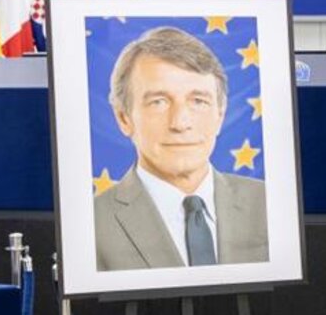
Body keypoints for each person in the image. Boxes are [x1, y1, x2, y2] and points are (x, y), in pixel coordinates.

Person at [93, 26, 268, 271]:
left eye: (198, 101)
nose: (180, 123)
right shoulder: (91, 224)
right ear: (124, 118)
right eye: (159, 102)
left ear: (220, 115)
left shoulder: (269, 205)